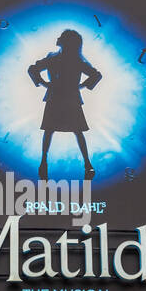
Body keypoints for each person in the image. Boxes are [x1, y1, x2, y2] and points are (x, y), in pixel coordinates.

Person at [28, 29, 102, 180]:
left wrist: (43, 83)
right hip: (67, 97)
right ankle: (86, 164)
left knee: (52, 130)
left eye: (62, 37)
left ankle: (44, 162)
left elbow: (33, 69)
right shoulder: (74, 59)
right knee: (74, 130)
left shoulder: (59, 58)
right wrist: (81, 86)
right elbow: (96, 75)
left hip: (59, 96)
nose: (58, 38)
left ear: (66, 41)